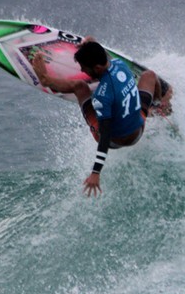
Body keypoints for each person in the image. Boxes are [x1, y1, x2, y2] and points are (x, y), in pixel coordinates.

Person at [32, 38, 172, 197]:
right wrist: (91, 44)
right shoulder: (120, 64)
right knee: (149, 75)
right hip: (139, 124)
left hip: (116, 139)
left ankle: (46, 80)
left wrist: (95, 172)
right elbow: (103, 57)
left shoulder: (101, 97)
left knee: (79, 86)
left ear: (97, 68)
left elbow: (105, 135)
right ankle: (160, 105)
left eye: (84, 68)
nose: (82, 71)